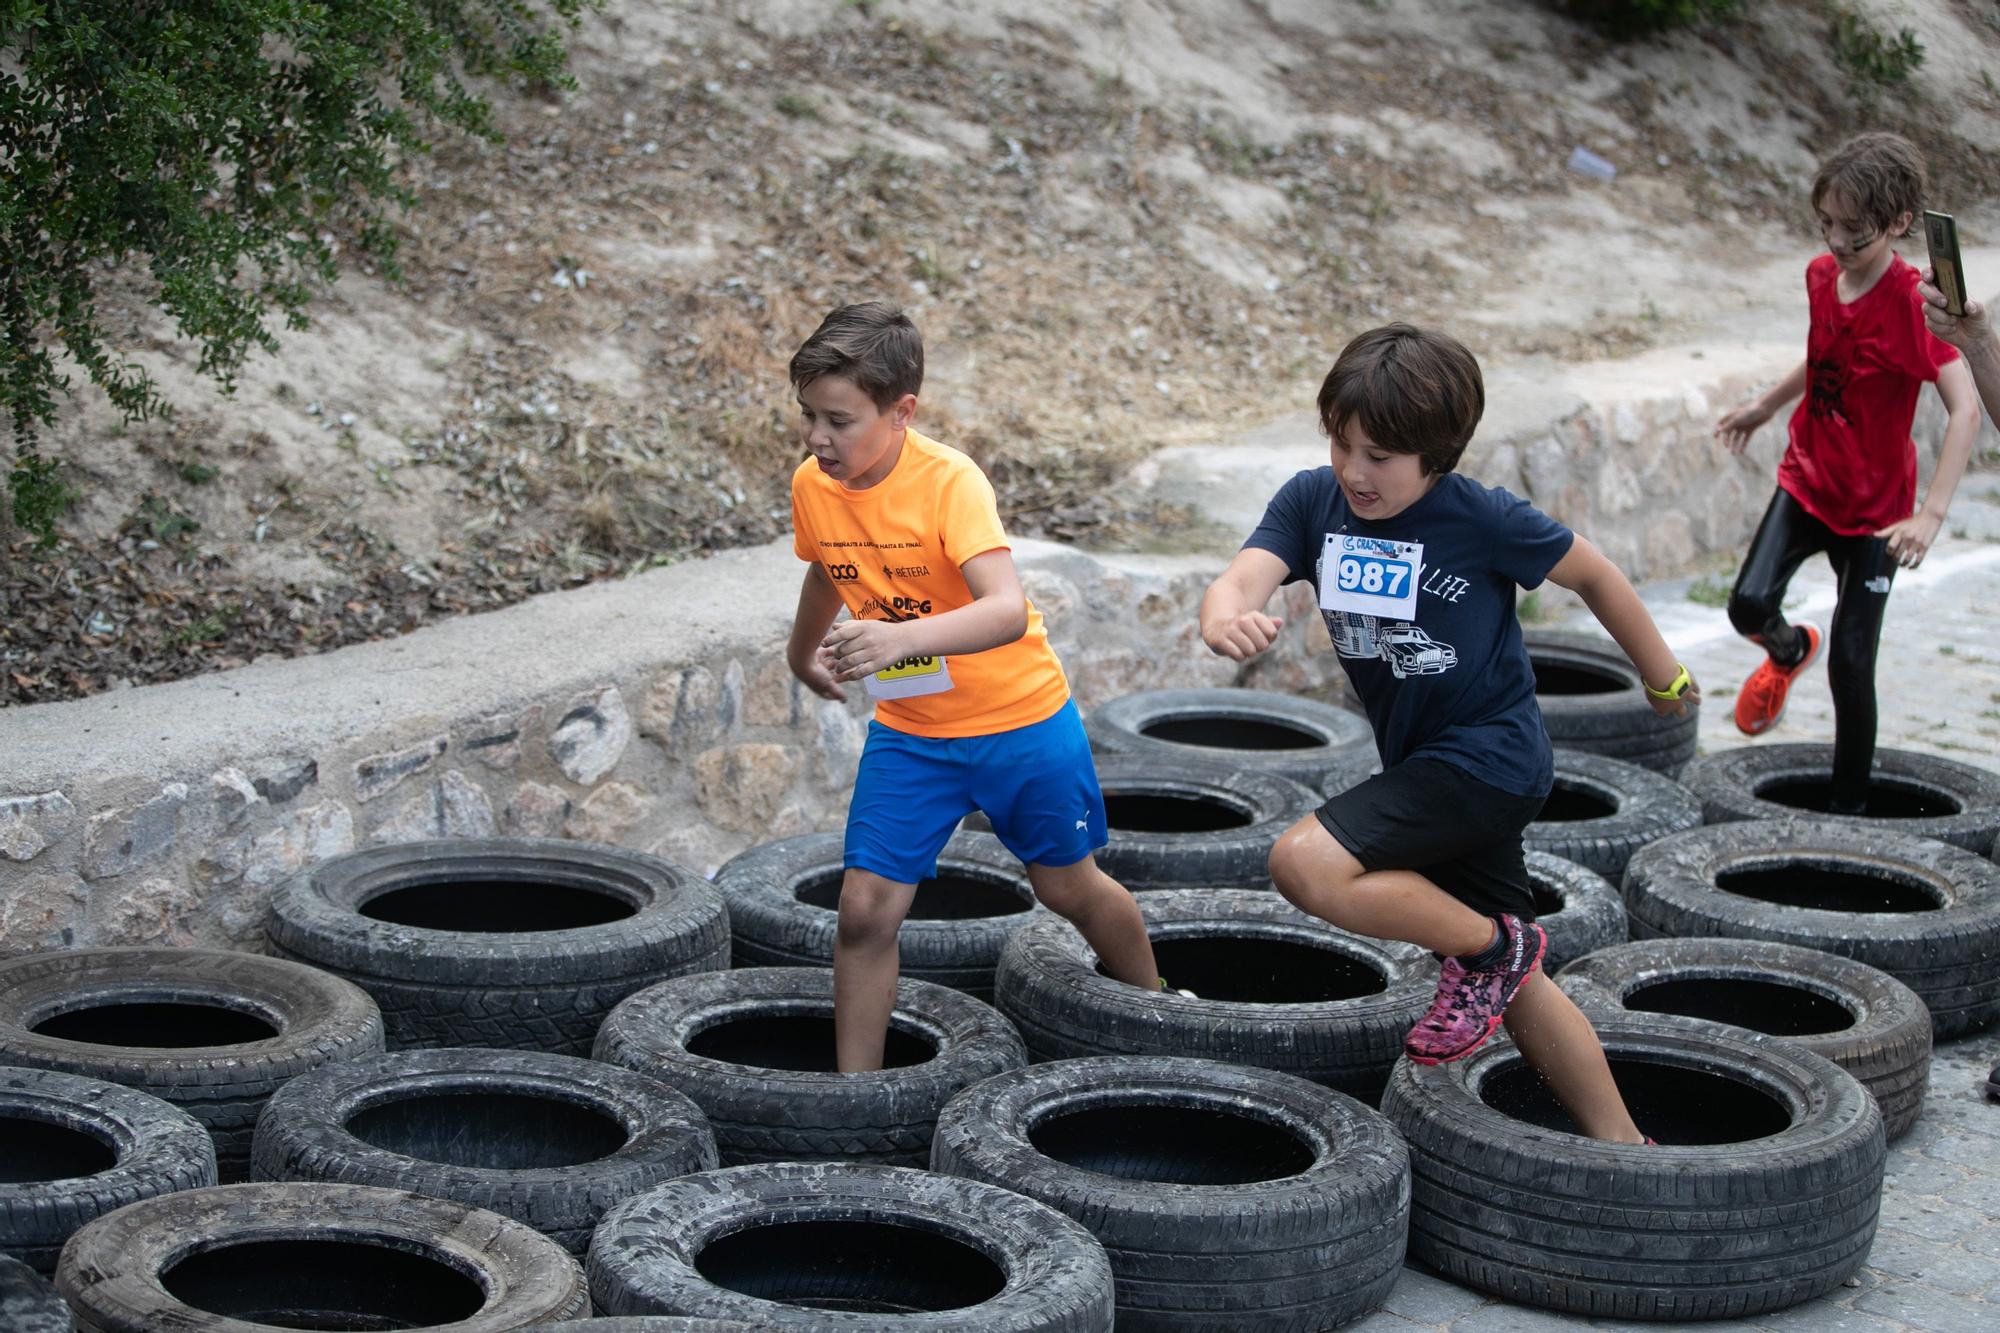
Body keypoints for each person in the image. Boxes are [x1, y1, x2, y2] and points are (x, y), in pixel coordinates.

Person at [1201, 323, 1696, 1142]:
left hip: (1489, 760)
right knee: (1518, 982)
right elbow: (1244, 573)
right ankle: (1628, 1148)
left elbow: (1596, 574)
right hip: (1432, 767)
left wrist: (1662, 674)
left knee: (1303, 861)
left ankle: (1489, 945)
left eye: (1381, 457)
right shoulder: (1311, 501)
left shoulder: (1483, 520)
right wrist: (1225, 615)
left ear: (1440, 453)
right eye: (1343, 445)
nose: (1356, 471)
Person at [784, 301, 1163, 1072]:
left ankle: (1159, 1005)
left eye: (839, 420)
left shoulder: (949, 482)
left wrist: (899, 636)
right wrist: (801, 653)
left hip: (1020, 722)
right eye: (808, 416)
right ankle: (854, 1095)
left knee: (1069, 887)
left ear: (902, 411)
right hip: (914, 733)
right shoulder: (815, 484)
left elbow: (1005, 607)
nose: (818, 437)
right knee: (863, 911)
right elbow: (829, 566)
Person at [1714, 132, 1980, 813]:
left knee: (1854, 665)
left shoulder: (1915, 304)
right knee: (1746, 603)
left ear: (1898, 224)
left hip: (1876, 515)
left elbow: (1967, 408)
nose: (1835, 241)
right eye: (1825, 223)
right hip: (1808, 478)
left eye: (1852, 232)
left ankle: (1849, 811)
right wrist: (1765, 406)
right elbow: (1823, 353)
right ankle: (1787, 648)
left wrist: (1931, 513)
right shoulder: (1819, 274)